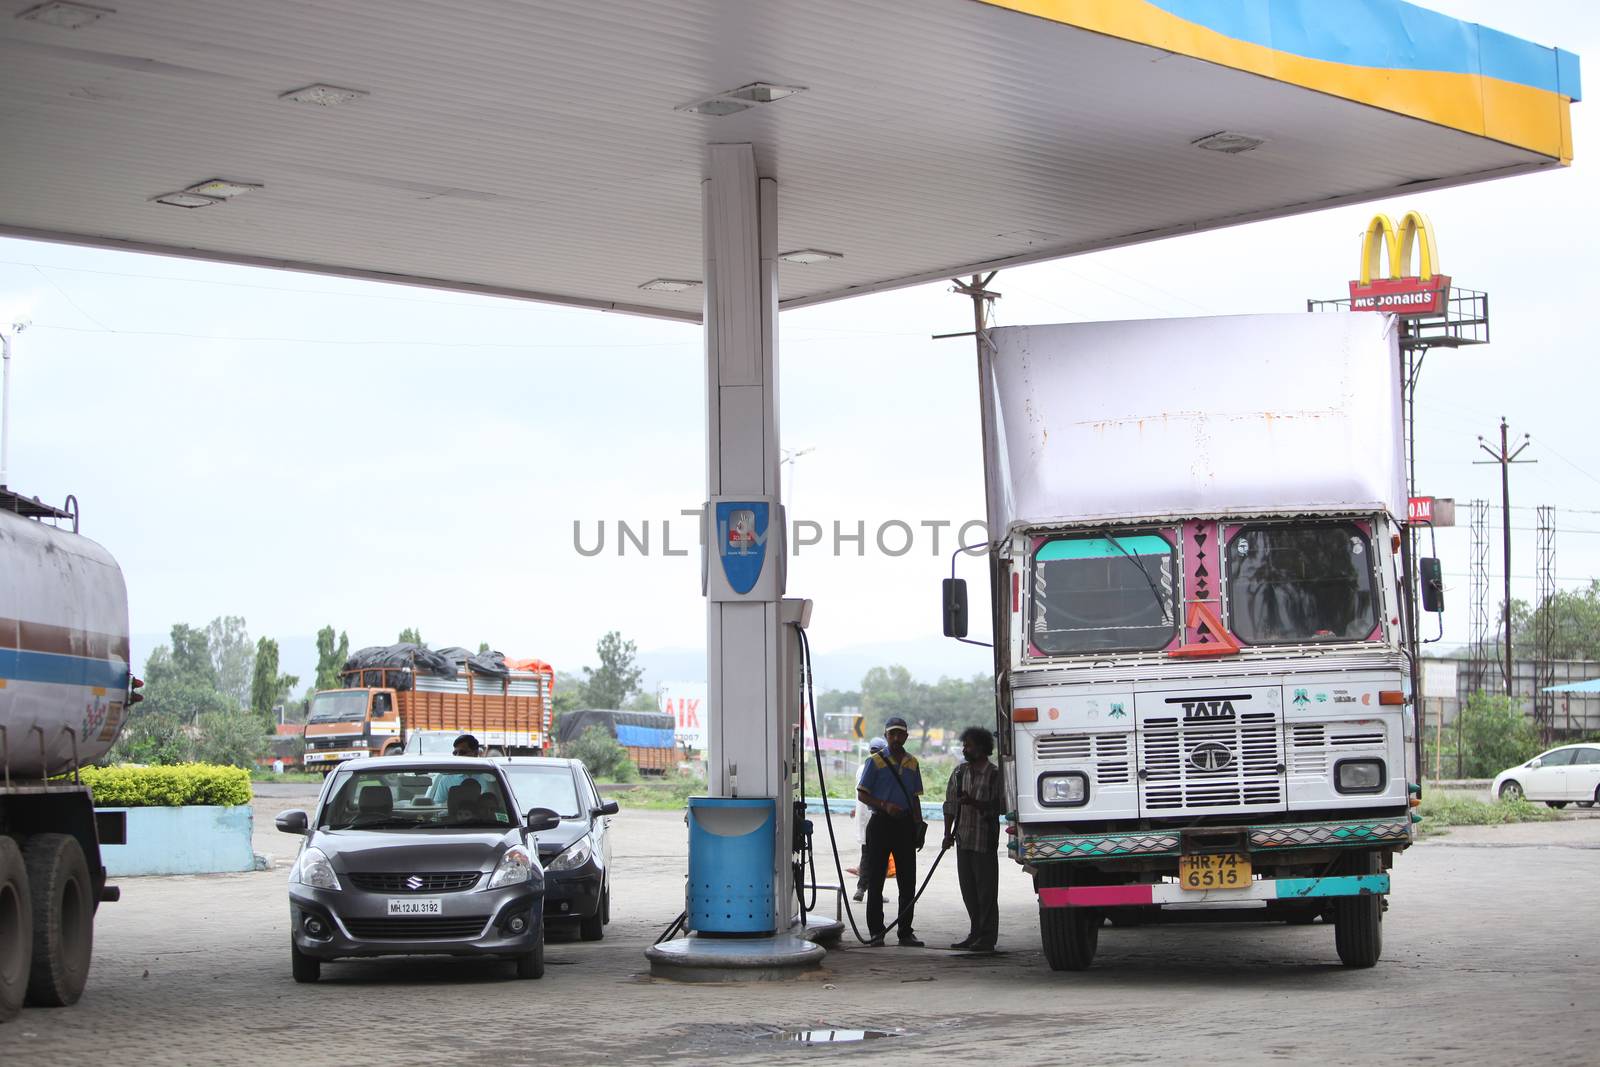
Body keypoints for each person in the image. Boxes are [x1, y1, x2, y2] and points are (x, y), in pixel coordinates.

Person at [856, 716, 925, 947]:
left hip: (905, 825)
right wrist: (884, 805)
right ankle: (877, 931)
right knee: (876, 881)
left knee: (908, 881)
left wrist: (918, 824)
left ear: (906, 737)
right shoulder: (874, 762)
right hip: (881, 824)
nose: (896, 738)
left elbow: (915, 797)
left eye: (900, 734)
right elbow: (862, 794)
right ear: (886, 736)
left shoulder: (913, 763)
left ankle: (905, 932)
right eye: (892, 734)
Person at [943, 725, 1005, 951]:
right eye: (964, 745)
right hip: (963, 840)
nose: (964, 749)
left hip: (984, 841)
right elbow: (949, 805)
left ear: (981, 748)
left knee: (986, 892)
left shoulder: (995, 775)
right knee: (969, 891)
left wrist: (974, 803)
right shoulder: (959, 773)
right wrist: (947, 835)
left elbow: (1000, 807)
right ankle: (975, 933)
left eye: (968, 745)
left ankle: (987, 938)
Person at [852, 737, 889, 901]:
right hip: (875, 816)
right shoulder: (881, 768)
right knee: (875, 857)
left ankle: (867, 889)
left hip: (864, 816)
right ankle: (864, 889)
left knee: (868, 854)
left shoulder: (862, 767)